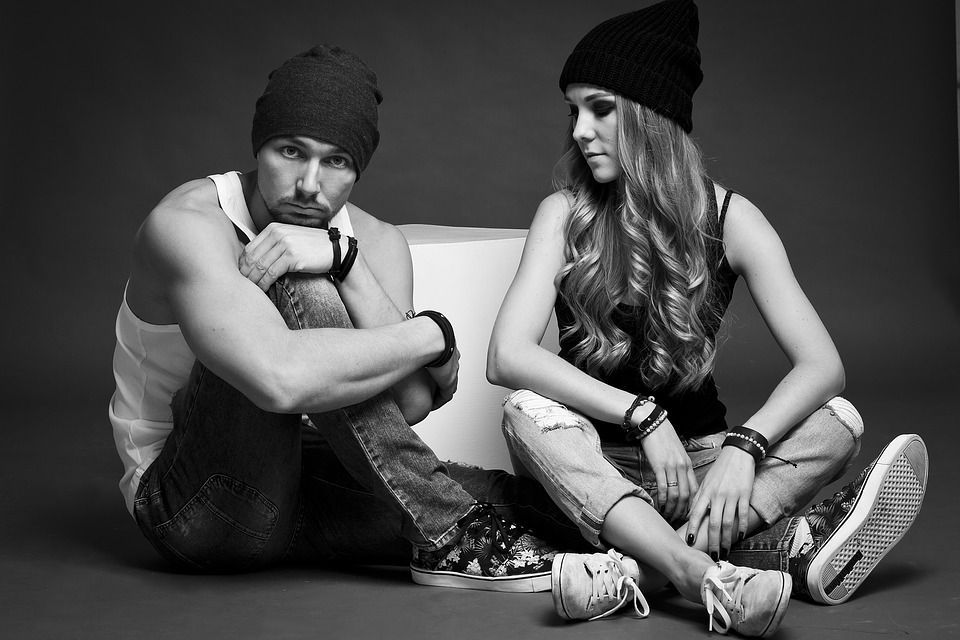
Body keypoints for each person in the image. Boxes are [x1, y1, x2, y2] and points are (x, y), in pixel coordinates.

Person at [486, 0, 928, 635]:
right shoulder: (563, 214)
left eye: (601, 108)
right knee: (523, 412)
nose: (580, 130)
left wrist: (745, 449)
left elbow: (823, 366)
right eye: (573, 110)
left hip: (702, 467)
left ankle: (641, 568)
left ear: (651, 116)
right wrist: (641, 416)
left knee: (837, 422)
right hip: (593, 466)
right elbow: (507, 356)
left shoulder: (733, 220)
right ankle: (739, 560)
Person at [107, 44, 581, 592]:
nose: (309, 185)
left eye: (336, 161)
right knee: (294, 273)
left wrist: (347, 262)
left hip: (305, 481)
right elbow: (279, 380)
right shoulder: (188, 222)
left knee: (524, 506)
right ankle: (448, 530)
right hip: (196, 505)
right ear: (259, 146)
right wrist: (433, 333)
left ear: (357, 169)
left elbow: (410, 403)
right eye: (291, 151)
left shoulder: (376, 241)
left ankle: (659, 544)